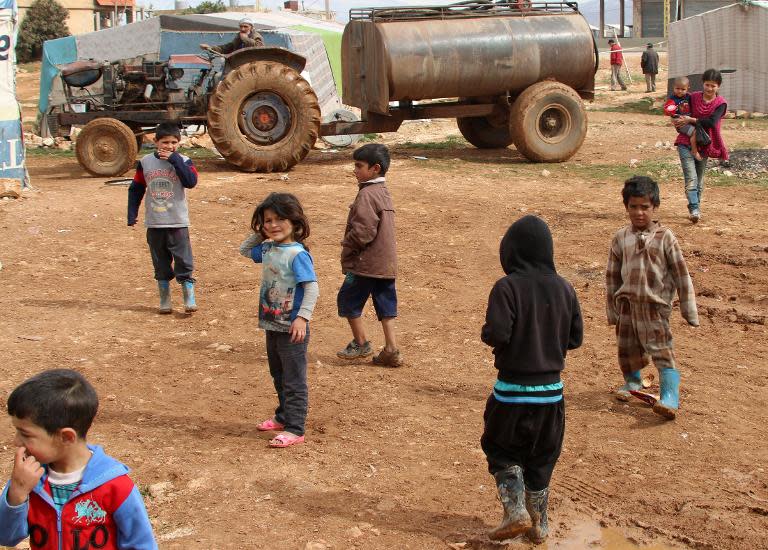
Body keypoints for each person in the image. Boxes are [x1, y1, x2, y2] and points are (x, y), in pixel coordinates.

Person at [480, 215, 583, 543]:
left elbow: (497, 332)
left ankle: (515, 511)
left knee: (500, 450)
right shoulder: (565, 288)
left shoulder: (506, 287)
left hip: (510, 394)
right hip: (551, 398)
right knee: (542, 458)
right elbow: (575, 338)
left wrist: (490, 335)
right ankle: (539, 523)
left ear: (511, 252)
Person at [0, 369, 157, 549]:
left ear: (66, 437)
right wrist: (17, 494)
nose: (16, 442)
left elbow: (142, 544)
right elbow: (6, 537)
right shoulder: (28, 481)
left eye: (25, 434)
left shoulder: (115, 486)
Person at [606, 176, 699, 420]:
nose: (639, 212)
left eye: (644, 207)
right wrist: (612, 310)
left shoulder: (665, 237)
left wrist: (689, 310)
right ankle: (633, 383)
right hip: (627, 306)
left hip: (655, 307)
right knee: (627, 350)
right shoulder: (620, 238)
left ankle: (670, 396)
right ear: (626, 206)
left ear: (654, 207)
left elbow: (681, 274)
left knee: (661, 350)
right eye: (633, 206)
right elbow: (612, 276)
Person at [239, 192, 318, 448]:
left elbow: (312, 288)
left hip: (292, 327)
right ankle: (284, 416)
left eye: (279, 219)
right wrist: (261, 233)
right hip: (272, 323)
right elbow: (244, 250)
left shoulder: (297, 254)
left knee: (294, 378)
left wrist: (302, 319)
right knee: (278, 373)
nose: (273, 225)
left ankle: (295, 428)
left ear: (295, 222)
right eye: (267, 220)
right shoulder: (268, 248)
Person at [336, 143, 402, 367]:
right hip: (386, 264)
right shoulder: (384, 192)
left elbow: (363, 232)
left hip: (366, 264)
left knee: (348, 300)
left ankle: (361, 341)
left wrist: (348, 245)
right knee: (385, 305)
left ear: (375, 168)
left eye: (358, 165)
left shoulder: (366, 194)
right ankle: (391, 348)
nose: (354, 170)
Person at [128, 122, 199, 313]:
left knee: (184, 260)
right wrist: (132, 213)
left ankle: (188, 296)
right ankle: (164, 299)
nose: (169, 146)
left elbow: (190, 182)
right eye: (165, 142)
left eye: (174, 142)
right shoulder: (145, 163)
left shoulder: (184, 160)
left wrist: (174, 160)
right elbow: (136, 189)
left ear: (179, 142)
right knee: (160, 262)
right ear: (155, 141)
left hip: (177, 221)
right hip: (155, 222)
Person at [672, 68, 729, 223]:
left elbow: (711, 122)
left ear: (718, 86)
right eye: (707, 85)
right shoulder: (693, 97)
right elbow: (679, 105)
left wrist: (690, 119)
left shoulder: (720, 104)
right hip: (685, 141)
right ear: (702, 83)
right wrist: (676, 117)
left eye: (713, 86)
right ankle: (694, 208)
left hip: (705, 144)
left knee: (700, 178)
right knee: (691, 177)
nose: (709, 88)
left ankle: (696, 206)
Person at [663, 76, 701, 161]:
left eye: (683, 89)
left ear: (688, 88)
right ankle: (694, 151)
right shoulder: (672, 99)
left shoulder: (689, 97)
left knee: (701, 128)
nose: (680, 91)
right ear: (673, 87)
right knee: (694, 132)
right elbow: (668, 111)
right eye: (677, 88)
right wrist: (669, 111)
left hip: (689, 120)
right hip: (680, 123)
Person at [200, 17, 264, 53]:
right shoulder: (239, 37)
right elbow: (229, 47)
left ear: (251, 27)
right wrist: (210, 48)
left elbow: (259, 48)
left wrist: (246, 39)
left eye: (245, 26)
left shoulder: (256, 36)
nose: (243, 29)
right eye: (241, 26)